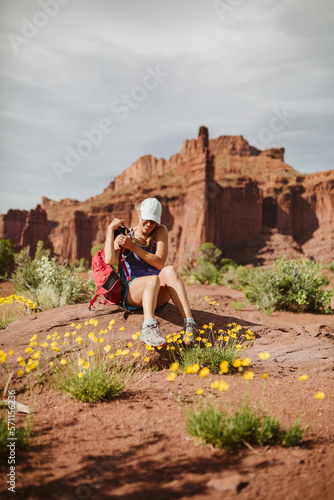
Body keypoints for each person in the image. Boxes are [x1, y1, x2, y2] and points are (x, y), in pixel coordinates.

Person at [103, 197, 199, 347]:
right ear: (139, 215)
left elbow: (160, 262)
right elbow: (109, 260)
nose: (149, 225)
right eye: (146, 220)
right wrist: (111, 230)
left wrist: (133, 247)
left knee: (170, 271)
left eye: (153, 222)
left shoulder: (160, 231)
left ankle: (190, 325)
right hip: (132, 293)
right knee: (152, 279)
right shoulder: (125, 234)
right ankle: (148, 328)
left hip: (155, 294)